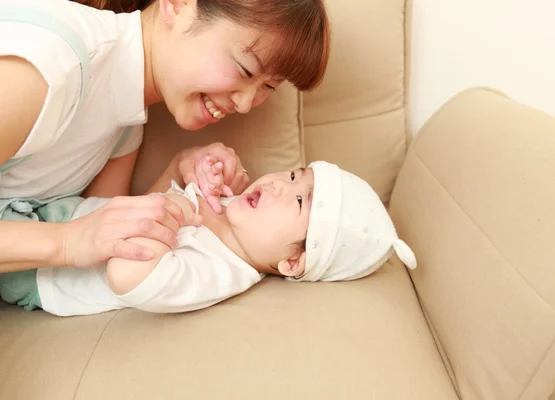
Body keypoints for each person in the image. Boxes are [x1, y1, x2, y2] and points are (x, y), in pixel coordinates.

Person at [0, 0, 330, 273]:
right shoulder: (50, 68)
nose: (245, 104)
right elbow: (78, 238)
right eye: (245, 70)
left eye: (268, 88)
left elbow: (106, 237)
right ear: (179, 5)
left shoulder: (125, 125)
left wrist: (178, 169)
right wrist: (65, 242)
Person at [0, 156, 417, 316]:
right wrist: (186, 165)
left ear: (293, 263)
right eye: (293, 175)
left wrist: (181, 208)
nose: (277, 185)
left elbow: (125, 273)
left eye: (298, 201)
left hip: (35, 270)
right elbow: (141, 202)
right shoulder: (229, 208)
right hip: (55, 211)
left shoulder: (219, 273)